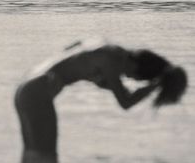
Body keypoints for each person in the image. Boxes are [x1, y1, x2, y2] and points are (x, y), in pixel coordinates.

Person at [14, 39, 187, 163]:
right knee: (46, 157)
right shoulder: (113, 61)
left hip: (26, 86)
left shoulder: (104, 47)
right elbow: (125, 102)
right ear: (137, 66)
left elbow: (72, 54)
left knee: (32, 154)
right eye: (134, 76)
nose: (128, 77)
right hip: (39, 91)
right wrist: (154, 85)